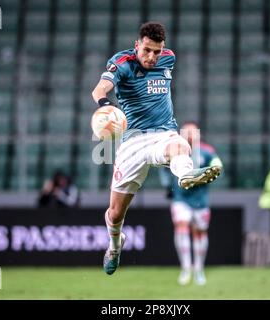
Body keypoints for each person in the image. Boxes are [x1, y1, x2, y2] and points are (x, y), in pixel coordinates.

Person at [91, 22, 222, 275]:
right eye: (147, 50)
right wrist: (106, 106)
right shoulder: (122, 62)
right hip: (133, 141)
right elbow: (99, 89)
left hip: (163, 133)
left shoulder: (169, 59)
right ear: (137, 45)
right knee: (116, 213)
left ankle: (185, 175)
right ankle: (115, 246)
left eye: (157, 51)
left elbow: (162, 62)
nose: (152, 57)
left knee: (180, 145)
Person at [161, 121, 222, 286]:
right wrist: (167, 185)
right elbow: (163, 167)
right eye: (186, 131)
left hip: (201, 200)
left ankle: (199, 269)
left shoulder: (207, 151)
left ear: (198, 134)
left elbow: (217, 165)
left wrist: (214, 170)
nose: (189, 134)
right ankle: (186, 268)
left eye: (192, 131)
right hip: (181, 198)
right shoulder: (175, 149)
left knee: (200, 232)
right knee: (181, 226)